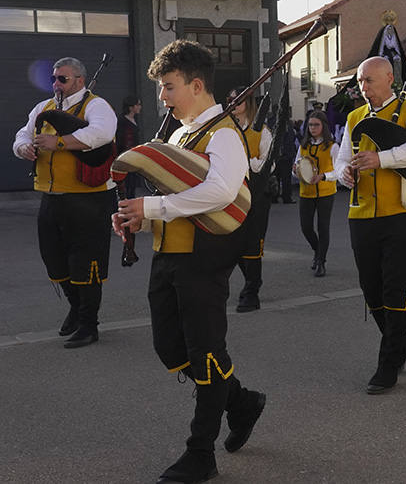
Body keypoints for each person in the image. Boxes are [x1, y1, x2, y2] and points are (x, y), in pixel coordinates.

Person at [112, 40, 266, 483]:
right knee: (170, 348)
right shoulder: (179, 135)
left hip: (202, 260)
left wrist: (153, 210)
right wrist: (136, 218)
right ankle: (242, 402)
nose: (162, 97)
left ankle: (201, 453)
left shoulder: (224, 133)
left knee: (207, 353)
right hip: (168, 254)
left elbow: (221, 192)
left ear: (196, 85)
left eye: (168, 87)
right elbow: (172, 196)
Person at [335, 56, 406, 394]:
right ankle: (400, 343)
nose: (363, 88)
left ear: (390, 78)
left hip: (399, 214)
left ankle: (388, 361)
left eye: (369, 81)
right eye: (361, 82)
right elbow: (340, 161)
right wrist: (345, 174)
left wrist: (383, 159)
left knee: (396, 288)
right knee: (371, 290)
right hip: (361, 215)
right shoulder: (354, 117)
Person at [12, 57, 116, 348]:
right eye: (54, 79)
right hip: (51, 196)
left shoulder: (96, 106)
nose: (56, 84)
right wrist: (24, 147)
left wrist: (58, 142)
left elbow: (101, 134)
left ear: (79, 81)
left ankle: (89, 324)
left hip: (88, 198)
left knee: (86, 263)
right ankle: (76, 308)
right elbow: (23, 133)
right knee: (54, 261)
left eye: (63, 79)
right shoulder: (42, 108)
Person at [229, 87, 273, 311]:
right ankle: (252, 280)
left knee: (252, 244)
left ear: (248, 103)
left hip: (256, 194)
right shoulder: (228, 131)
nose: (233, 104)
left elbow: (268, 163)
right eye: (231, 100)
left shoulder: (262, 131)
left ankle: (251, 292)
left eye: (238, 100)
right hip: (233, 194)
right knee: (235, 244)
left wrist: (244, 161)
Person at [295, 111, 338, 277]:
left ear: (323, 126)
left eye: (316, 125)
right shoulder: (303, 146)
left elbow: (339, 170)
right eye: (310, 125)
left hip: (326, 192)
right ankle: (317, 251)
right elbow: (297, 167)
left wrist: (324, 176)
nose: (312, 128)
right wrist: (295, 171)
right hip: (306, 192)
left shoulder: (333, 147)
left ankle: (321, 261)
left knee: (323, 227)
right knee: (306, 227)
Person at [116, 95, 143, 198]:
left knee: (132, 183)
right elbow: (123, 140)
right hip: (126, 156)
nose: (140, 107)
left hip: (133, 155)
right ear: (131, 107)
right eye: (138, 105)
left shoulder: (134, 119)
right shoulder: (122, 121)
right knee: (127, 183)